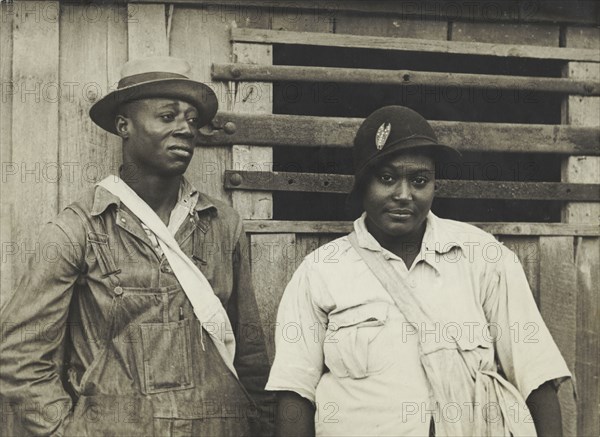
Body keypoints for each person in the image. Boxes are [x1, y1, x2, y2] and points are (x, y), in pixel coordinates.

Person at [0, 56, 272, 436]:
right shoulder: (78, 230)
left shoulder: (222, 223)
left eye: (191, 120)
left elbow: (251, 352)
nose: (185, 129)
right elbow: (21, 357)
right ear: (124, 125)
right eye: (167, 116)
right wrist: (64, 431)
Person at [266, 106, 572, 436]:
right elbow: (294, 394)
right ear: (362, 182)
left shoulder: (484, 257)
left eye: (419, 180)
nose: (403, 194)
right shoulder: (321, 271)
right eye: (387, 178)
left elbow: (537, 376)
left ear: (434, 185)